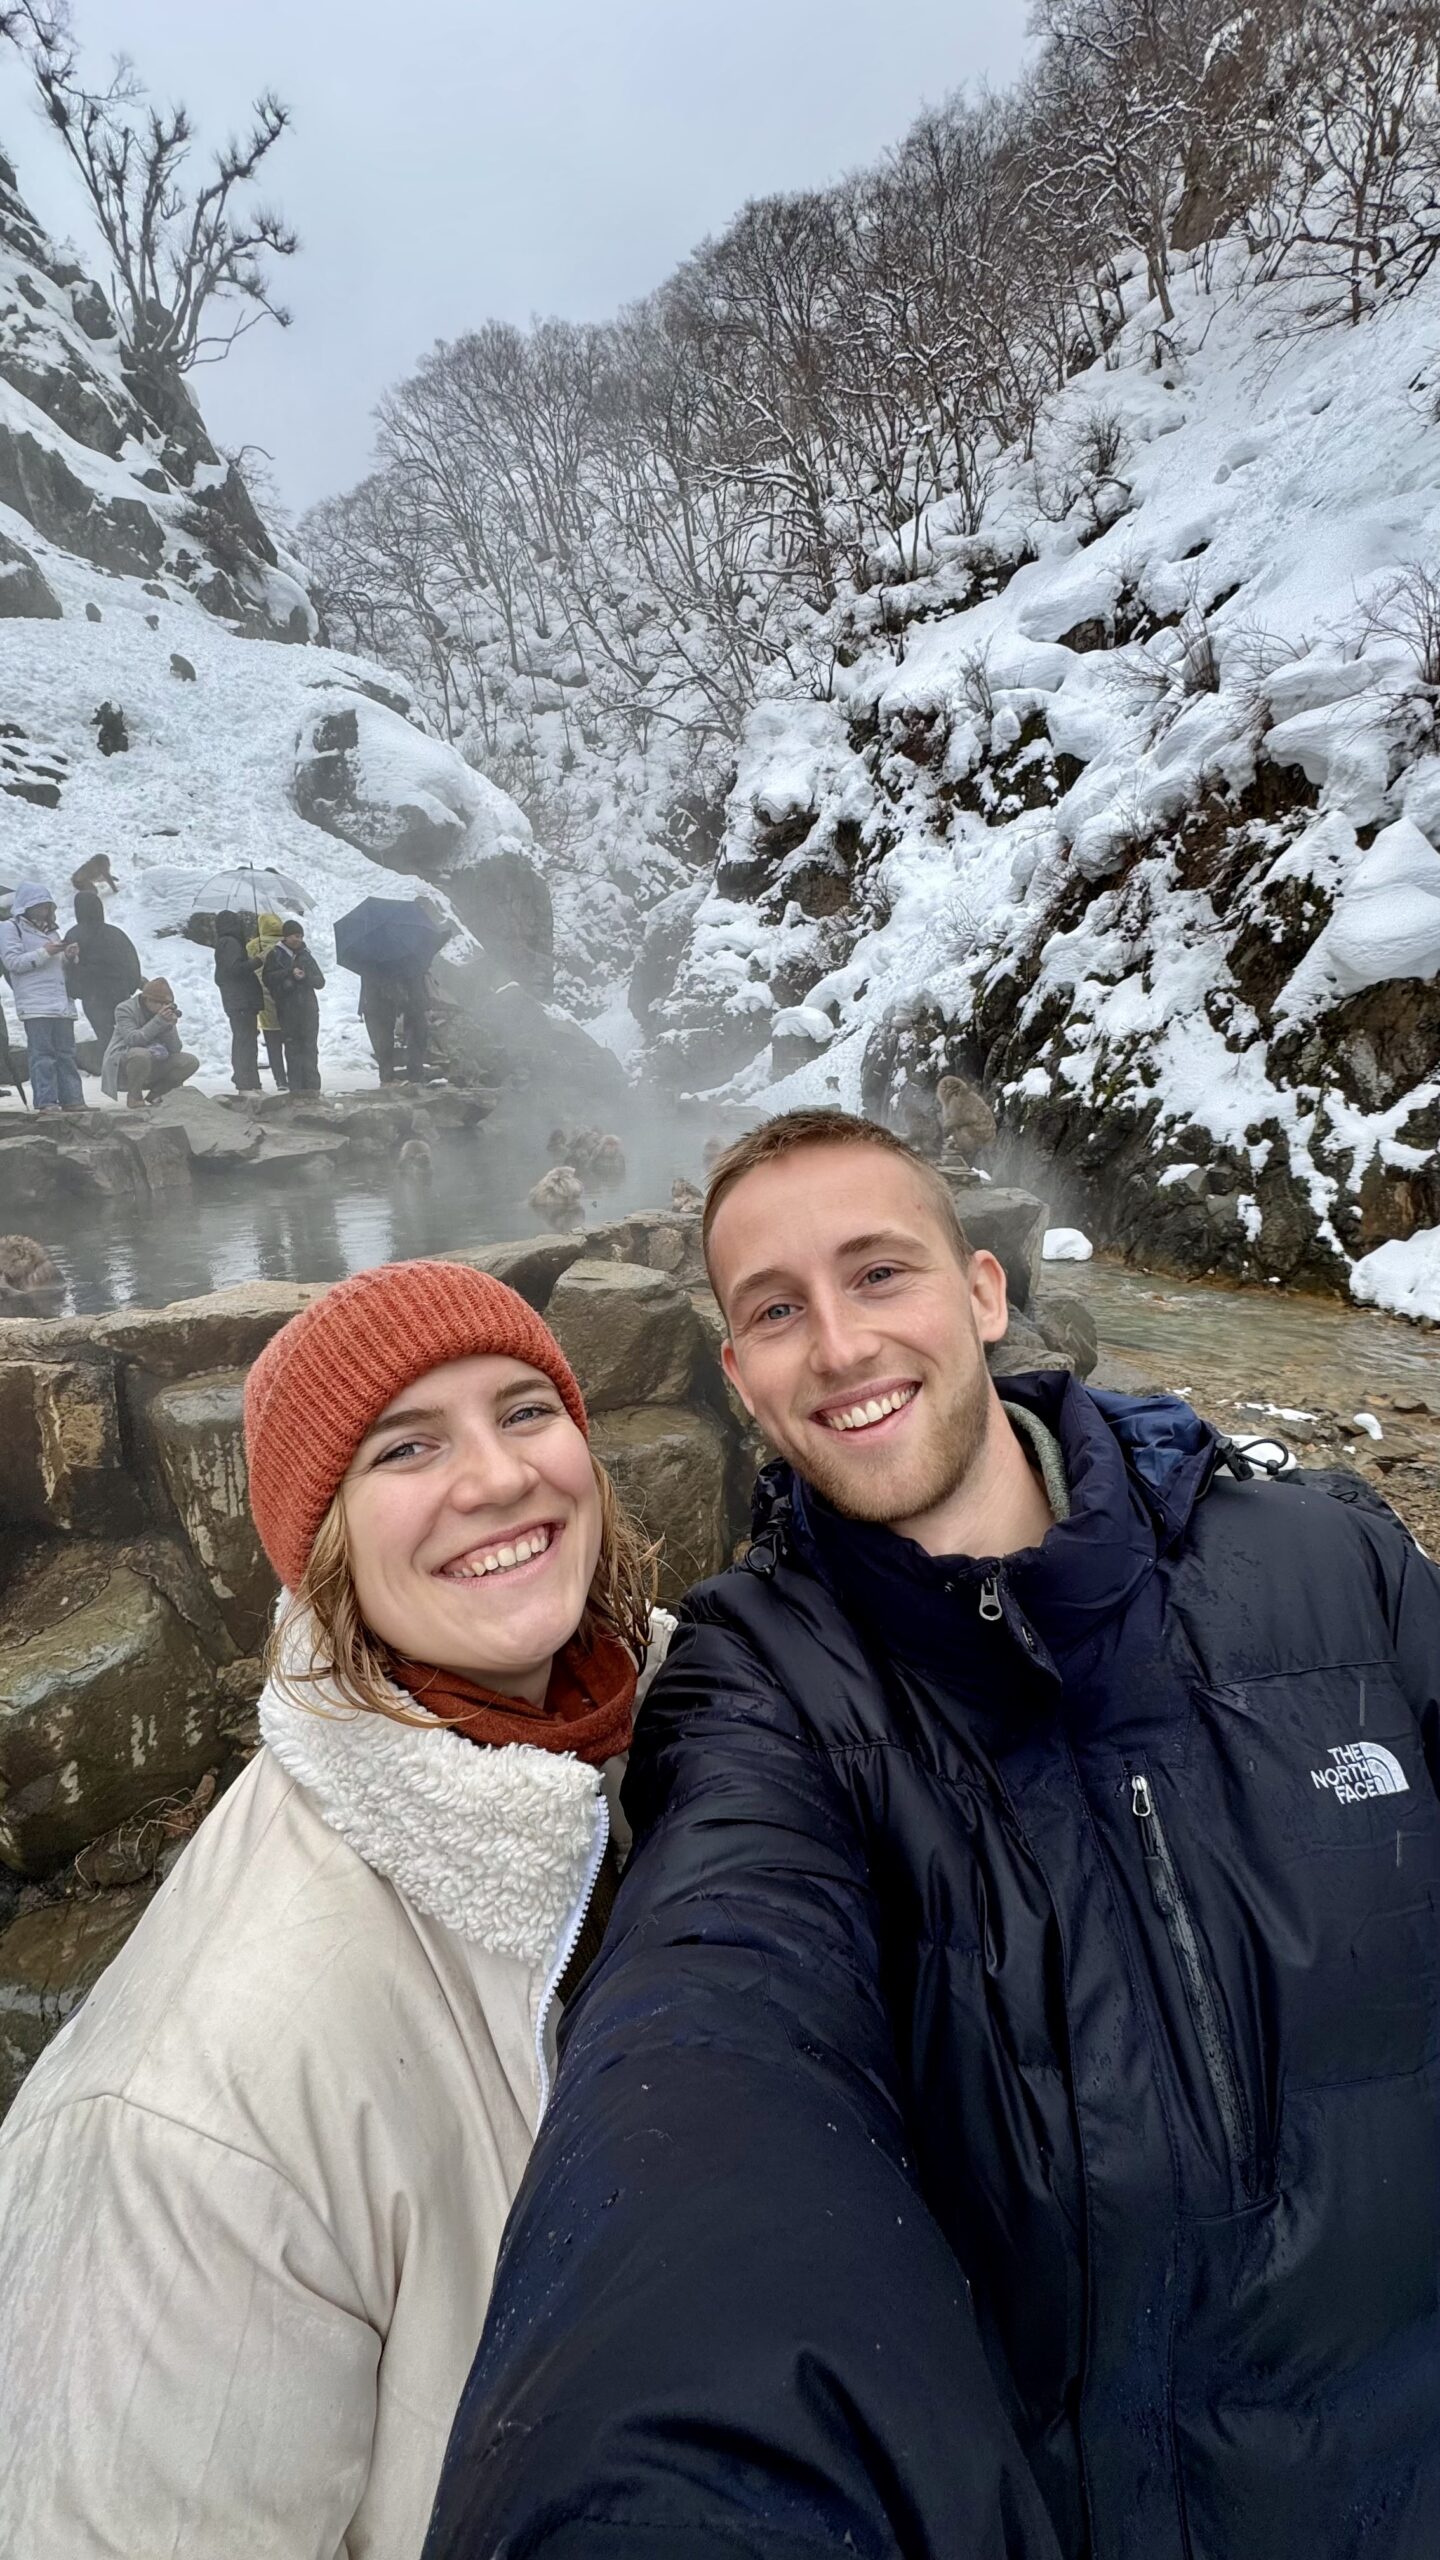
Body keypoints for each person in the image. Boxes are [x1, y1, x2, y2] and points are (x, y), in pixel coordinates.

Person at [428, 1107, 1440, 2560]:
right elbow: (714, 2032)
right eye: (778, 1310)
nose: (840, 1346)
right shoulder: (759, 1689)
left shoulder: (1332, 1565)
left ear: (983, 1293)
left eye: (878, 1273)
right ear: (740, 1376)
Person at [0, 1260, 667, 2558]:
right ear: (324, 1545)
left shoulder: (649, 1731)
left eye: (526, 1410)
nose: (497, 1476)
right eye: (405, 1447)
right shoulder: (195, 2111)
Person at [0, 880, 83, 1115]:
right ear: (25, 906)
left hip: (61, 1001)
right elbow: (13, 962)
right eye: (38, 906)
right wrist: (46, 951)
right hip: (35, 1003)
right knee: (42, 1055)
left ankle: (73, 1099)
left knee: (67, 1054)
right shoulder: (10, 928)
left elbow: (57, 967)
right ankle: (46, 1101)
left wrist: (68, 956)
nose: (44, 911)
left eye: (47, 906)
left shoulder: (51, 930)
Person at [100, 978, 200, 1107]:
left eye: (168, 1004)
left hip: (156, 1059)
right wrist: (158, 1021)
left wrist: (169, 1026)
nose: (164, 1007)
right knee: (141, 1055)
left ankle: (158, 1094)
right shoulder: (125, 1009)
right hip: (125, 1061)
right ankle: (134, 1097)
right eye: (161, 1003)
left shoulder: (164, 1015)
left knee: (190, 1061)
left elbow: (175, 1049)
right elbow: (133, 1039)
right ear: (148, 1000)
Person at [66, 885, 141, 1058]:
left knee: (106, 1036)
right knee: (126, 1032)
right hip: (120, 992)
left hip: (93, 997)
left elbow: (69, 966)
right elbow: (131, 962)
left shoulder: (74, 934)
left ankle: (114, 1067)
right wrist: (131, 986)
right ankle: (132, 1063)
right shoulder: (116, 933)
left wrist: (75, 990)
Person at [262, 916, 325, 1093]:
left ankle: (312, 1086)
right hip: (287, 1010)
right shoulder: (275, 955)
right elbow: (268, 978)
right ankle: (296, 1087)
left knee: (310, 1047)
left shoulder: (306, 955)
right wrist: (288, 974)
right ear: (286, 936)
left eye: (301, 936)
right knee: (292, 1048)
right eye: (296, 936)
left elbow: (320, 981)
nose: (299, 939)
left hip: (308, 1009)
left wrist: (305, 977)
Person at [211, 907, 264, 1092]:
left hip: (238, 1000)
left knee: (246, 1040)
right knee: (245, 1042)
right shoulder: (230, 943)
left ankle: (249, 1081)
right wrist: (257, 961)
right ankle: (246, 1081)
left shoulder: (225, 943)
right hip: (241, 1000)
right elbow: (234, 970)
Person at [360, 960, 429, 1085]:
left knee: (386, 1043)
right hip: (378, 1004)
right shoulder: (371, 962)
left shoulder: (369, 959)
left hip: (388, 1003)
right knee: (383, 1043)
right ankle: (391, 1077)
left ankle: (395, 1076)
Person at [247, 909, 289, 1088]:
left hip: (263, 998)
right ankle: (294, 1075)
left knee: (273, 1042)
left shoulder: (253, 945)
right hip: (286, 997)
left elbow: (247, 968)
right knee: (290, 1041)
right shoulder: (285, 944)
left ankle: (280, 1079)